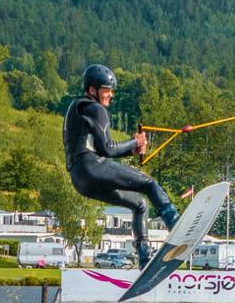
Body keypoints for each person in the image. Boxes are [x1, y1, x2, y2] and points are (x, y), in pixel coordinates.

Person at [63, 63, 180, 267]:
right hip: (91, 166)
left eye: (111, 91)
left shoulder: (78, 107)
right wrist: (135, 142)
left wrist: (130, 149)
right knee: (149, 184)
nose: (110, 95)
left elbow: (100, 148)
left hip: (80, 179)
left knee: (140, 204)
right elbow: (107, 149)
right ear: (93, 90)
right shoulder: (94, 108)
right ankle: (176, 224)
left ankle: (144, 256)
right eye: (106, 90)